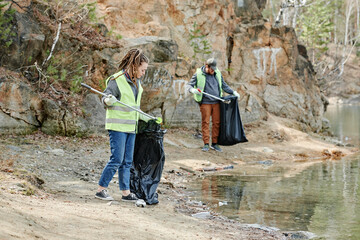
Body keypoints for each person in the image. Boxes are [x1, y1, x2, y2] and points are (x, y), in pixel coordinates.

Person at [95, 48, 160, 201]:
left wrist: (147, 118)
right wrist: (107, 100)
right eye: (142, 69)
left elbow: (134, 107)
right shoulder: (116, 80)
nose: (144, 73)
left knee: (127, 161)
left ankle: (125, 192)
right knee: (116, 159)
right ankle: (101, 189)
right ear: (134, 66)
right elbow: (105, 99)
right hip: (117, 127)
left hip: (131, 127)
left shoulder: (137, 82)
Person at [186, 58, 240, 152]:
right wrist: (192, 90)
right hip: (205, 102)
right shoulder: (199, 74)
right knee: (205, 123)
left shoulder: (217, 73)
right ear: (207, 66)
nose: (213, 70)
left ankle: (215, 143)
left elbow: (224, 85)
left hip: (217, 102)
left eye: (214, 69)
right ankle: (206, 144)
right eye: (211, 69)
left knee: (217, 123)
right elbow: (189, 85)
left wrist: (233, 92)